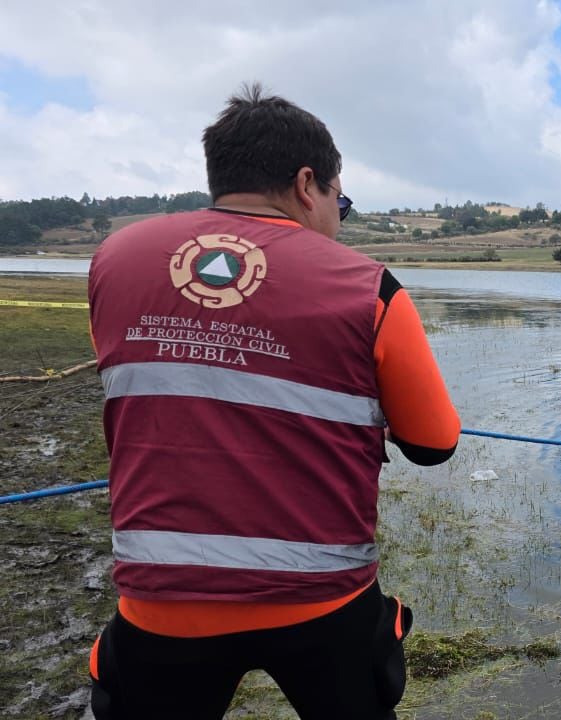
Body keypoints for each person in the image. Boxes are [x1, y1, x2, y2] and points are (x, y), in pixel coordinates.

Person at [86, 84, 461, 720]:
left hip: (162, 600)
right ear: (307, 183)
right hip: (322, 602)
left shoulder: (113, 260)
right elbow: (433, 444)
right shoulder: (367, 286)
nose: (337, 218)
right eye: (339, 201)